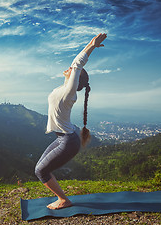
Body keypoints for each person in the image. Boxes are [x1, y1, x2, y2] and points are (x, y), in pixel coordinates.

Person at [35, 33, 107, 210]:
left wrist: (91, 46)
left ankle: (64, 200)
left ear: (76, 80)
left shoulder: (69, 92)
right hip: (65, 136)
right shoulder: (65, 88)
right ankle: (61, 197)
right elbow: (75, 65)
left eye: (74, 71)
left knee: (41, 171)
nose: (69, 68)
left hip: (68, 140)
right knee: (40, 167)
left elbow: (77, 63)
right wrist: (90, 45)